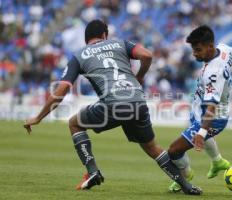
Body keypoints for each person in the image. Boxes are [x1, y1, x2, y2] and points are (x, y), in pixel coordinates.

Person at [23, 19, 201, 195]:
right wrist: (139, 76)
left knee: (74, 123)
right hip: (138, 102)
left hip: (114, 104)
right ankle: (187, 186)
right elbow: (147, 55)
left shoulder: (80, 55)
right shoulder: (119, 44)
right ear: (104, 35)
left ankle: (92, 171)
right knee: (152, 148)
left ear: (87, 39)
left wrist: (39, 117)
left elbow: (62, 88)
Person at [168, 25, 232, 192]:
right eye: (193, 49)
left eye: (198, 50)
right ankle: (217, 161)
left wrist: (201, 133)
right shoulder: (224, 49)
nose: (195, 53)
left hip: (212, 118)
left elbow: (211, 107)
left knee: (173, 151)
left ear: (210, 47)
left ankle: (185, 175)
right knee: (199, 137)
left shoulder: (213, 73)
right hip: (200, 109)